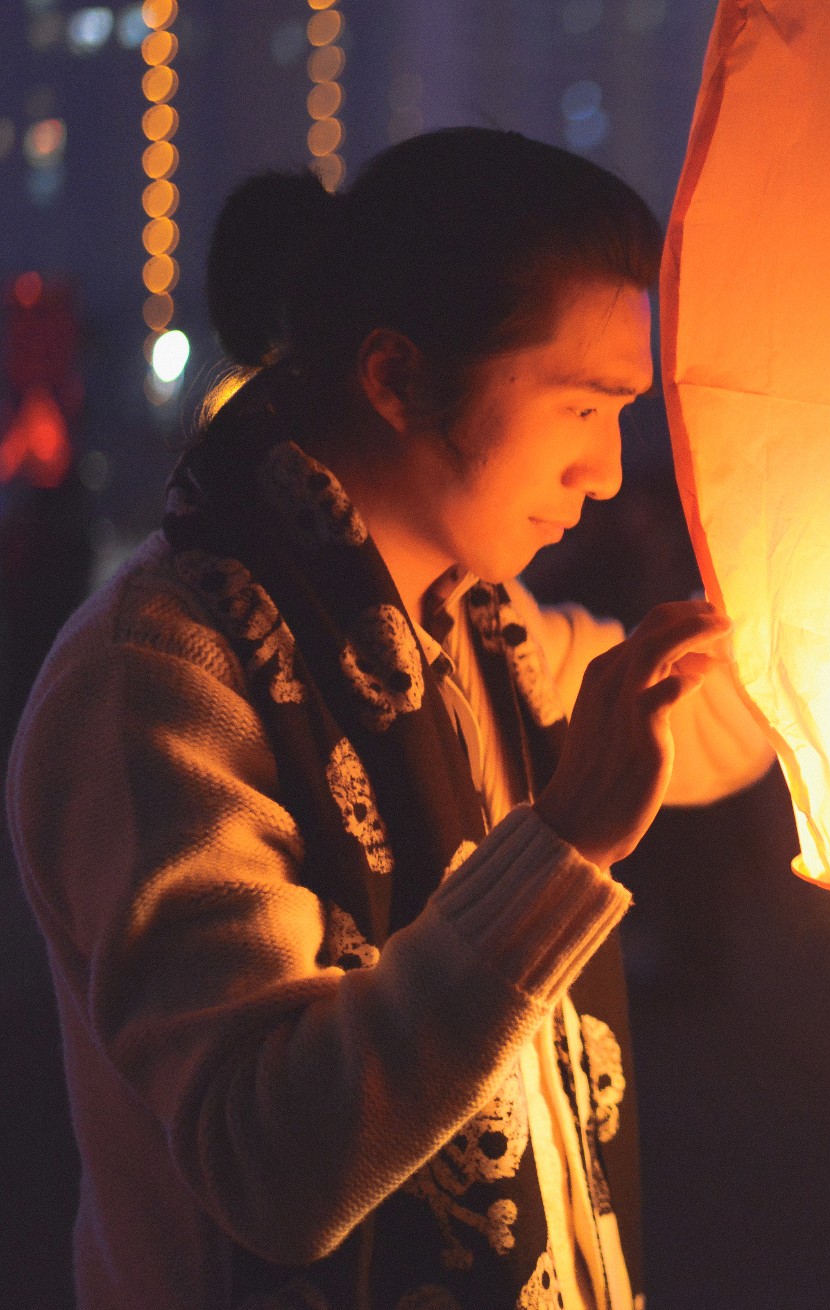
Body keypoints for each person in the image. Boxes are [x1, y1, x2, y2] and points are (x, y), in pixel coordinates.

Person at [6, 128, 776, 1309]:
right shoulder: (166, 669)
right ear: (396, 377)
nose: (609, 471)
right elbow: (270, 1161)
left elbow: (703, 717)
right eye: (582, 406)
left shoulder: (479, 633)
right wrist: (560, 843)